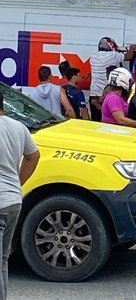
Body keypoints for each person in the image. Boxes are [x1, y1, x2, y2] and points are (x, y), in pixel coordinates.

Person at [0, 91, 40, 300]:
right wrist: (16, 182)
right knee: (3, 259)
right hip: (13, 201)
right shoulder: (18, 127)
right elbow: (33, 156)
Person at [89, 37, 136, 121]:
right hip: (105, 95)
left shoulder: (93, 56)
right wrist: (132, 48)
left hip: (94, 95)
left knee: (95, 123)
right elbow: (129, 56)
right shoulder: (113, 55)